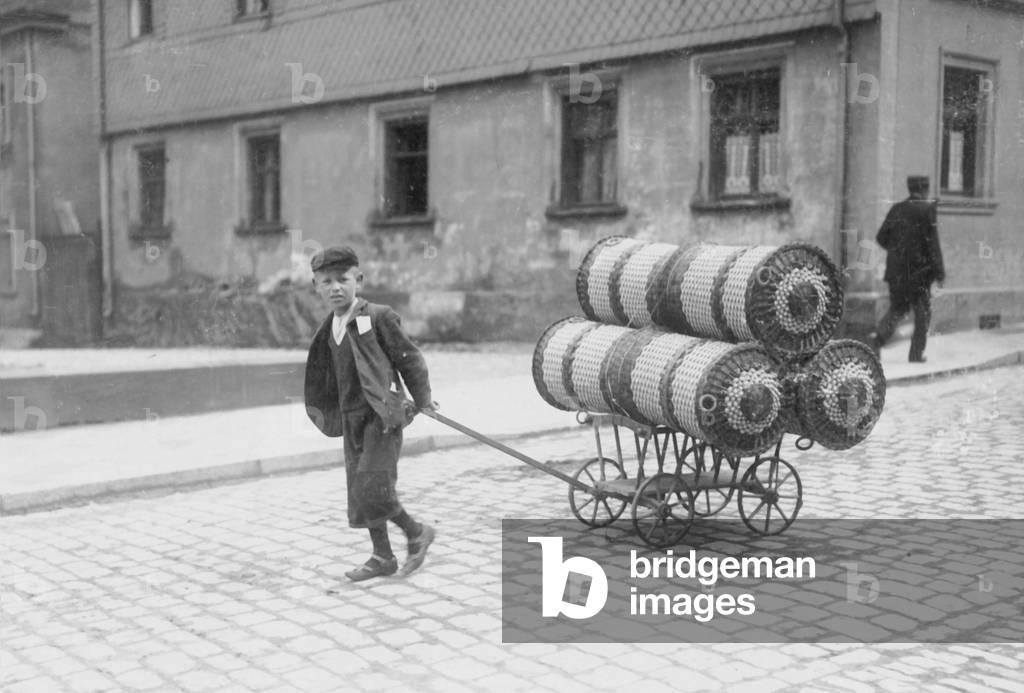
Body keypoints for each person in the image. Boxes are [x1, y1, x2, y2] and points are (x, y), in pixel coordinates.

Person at [304, 246, 436, 581]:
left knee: (372, 486)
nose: (336, 287)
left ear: (358, 280)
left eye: (343, 279)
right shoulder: (327, 329)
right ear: (316, 286)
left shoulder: (377, 316)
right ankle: (383, 556)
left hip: (381, 416)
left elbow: (410, 358)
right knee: (359, 491)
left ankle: (416, 532)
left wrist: (422, 399)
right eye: (327, 281)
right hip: (351, 419)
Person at [873, 175, 945, 363]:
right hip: (919, 274)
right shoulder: (927, 209)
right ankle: (915, 355)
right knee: (923, 314)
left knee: (896, 310)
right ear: (924, 189)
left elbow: (881, 237)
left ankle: (876, 341)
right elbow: (933, 245)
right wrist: (940, 273)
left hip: (896, 273)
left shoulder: (896, 209)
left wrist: (899, 251)